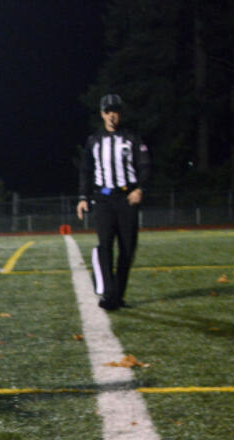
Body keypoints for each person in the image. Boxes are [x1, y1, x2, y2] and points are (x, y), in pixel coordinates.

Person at [76, 93, 151, 311]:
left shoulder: (132, 139)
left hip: (126, 198)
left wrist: (140, 189)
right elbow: (85, 170)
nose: (111, 116)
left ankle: (118, 294)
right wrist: (83, 198)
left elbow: (145, 166)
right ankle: (109, 293)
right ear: (102, 114)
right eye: (107, 112)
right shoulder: (94, 141)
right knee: (105, 245)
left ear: (121, 114)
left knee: (127, 249)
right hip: (103, 199)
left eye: (115, 112)